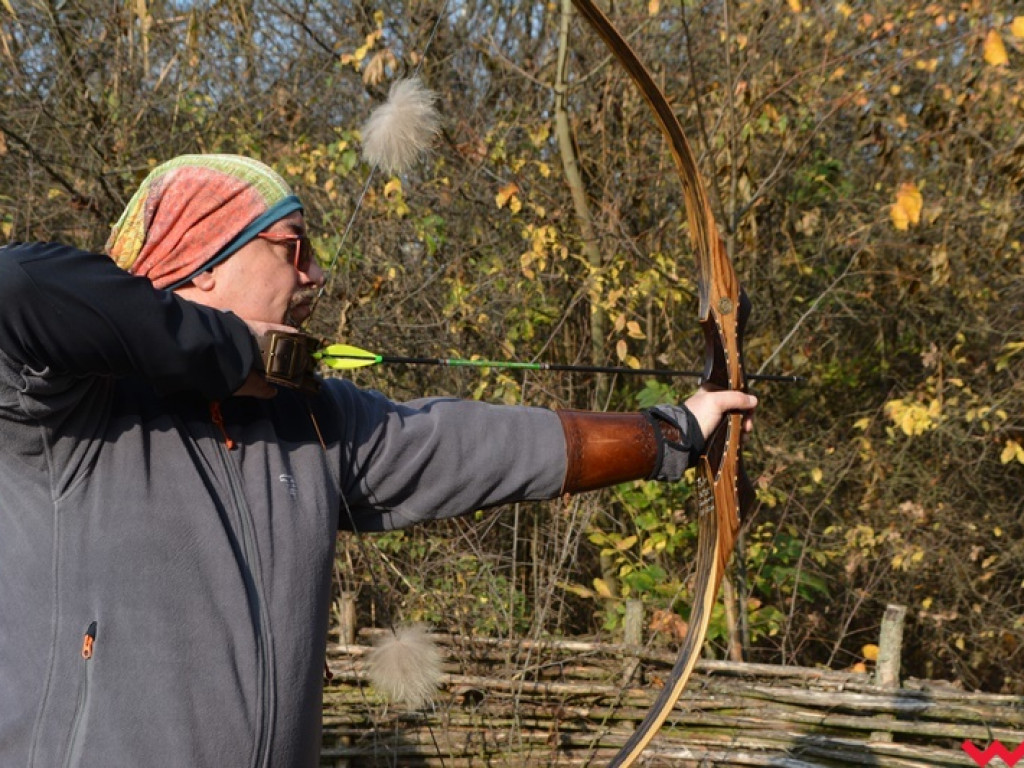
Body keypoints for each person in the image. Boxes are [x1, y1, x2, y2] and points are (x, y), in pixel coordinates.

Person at [0, 154, 756, 767]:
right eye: (293, 248)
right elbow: (18, 286)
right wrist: (231, 350)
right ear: (202, 267)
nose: (315, 277)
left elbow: (473, 444)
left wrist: (675, 433)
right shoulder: (66, 409)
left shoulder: (309, 421)